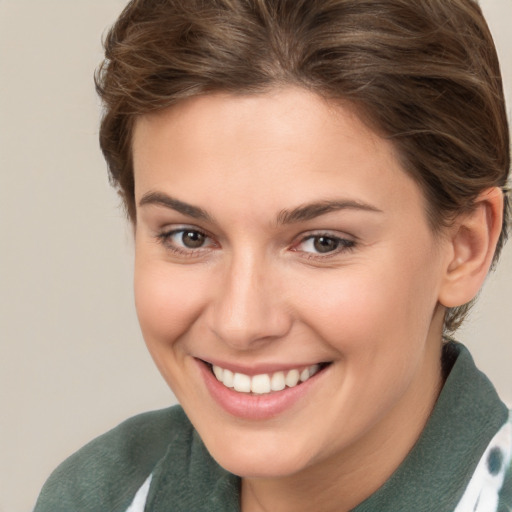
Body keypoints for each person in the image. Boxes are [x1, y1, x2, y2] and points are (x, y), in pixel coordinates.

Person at [34, 0, 511, 510]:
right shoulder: (99, 494)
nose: (241, 323)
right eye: (189, 237)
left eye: (323, 242)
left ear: (464, 248)